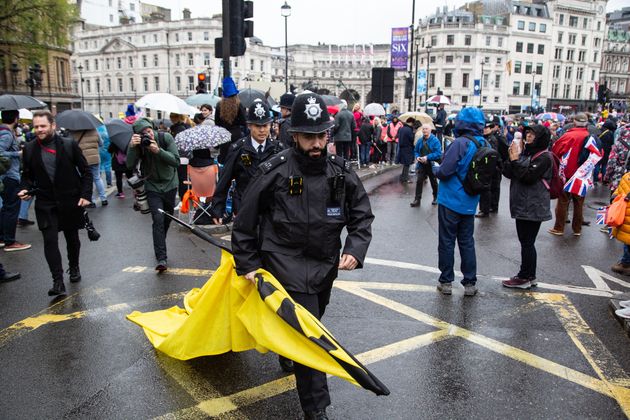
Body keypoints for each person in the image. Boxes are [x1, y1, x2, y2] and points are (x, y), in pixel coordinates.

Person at [232, 93, 374, 420]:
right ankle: (316, 409)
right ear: (294, 135)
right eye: (308, 136)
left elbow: (362, 216)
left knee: (312, 321)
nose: (315, 144)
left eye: (321, 136)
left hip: (324, 268)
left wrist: (354, 248)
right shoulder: (274, 171)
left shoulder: (339, 172)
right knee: (312, 337)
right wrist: (250, 265)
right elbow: (244, 224)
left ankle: (289, 351)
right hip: (285, 267)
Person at [18, 111, 92, 295]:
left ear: (52, 126)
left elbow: (86, 171)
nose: (39, 130)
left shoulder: (68, 145)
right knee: (50, 241)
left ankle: (74, 267)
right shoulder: (29, 148)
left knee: (72, 239)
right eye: (36, 127)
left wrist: (85, 195)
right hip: (45, 203)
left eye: (43, 126)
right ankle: (57, 281)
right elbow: (27, 176)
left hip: (70, 200)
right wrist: (25, 189)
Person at [434, 107, 488, 296]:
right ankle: (470, 283)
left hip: (451, 199)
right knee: (467, 242)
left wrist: (434, 168)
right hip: (470, 201)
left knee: (447, 241)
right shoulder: (483, 142)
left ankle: (446, 281)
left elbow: (444, 171)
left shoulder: (459, 143)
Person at [211, 99, 283, 224]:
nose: (262, 130)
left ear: (270, 125)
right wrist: (218, 208)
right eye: (257, 126)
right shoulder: (238, 149)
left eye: (265, 125)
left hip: (271, 209)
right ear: (249, 126)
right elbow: (224, 180)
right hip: (243, 207)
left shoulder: (278, 149)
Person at [501, 125, 553, 289]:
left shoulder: (544, 157)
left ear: (540, 137)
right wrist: (511, 157)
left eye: (532, 134)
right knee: (526, 241)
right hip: (523, 204)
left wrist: (516, 160)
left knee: (527, 242)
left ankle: (525, 276)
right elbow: (509, 173)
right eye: (527, 134)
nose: (529, 137)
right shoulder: (526, 153)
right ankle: (529, 275)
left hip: (533, 205)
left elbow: (528, 177)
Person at [126, 118, 179, 272]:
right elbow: (129, 165)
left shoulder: (165, 138)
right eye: (143, 134)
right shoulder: (138, 145)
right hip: (152, 185)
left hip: (170, 184)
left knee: (167, 218)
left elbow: (175, 161)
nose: (147, 136)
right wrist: (132, 147)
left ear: (152, 129)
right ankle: (161, 258)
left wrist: (158, 151)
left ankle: (160, 239)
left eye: (148, 131)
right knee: (157, 219)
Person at [549, 113, 595, 236]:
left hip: (567, 174)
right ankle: (577, 229)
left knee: (563, 201)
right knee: (579, 203)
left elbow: (555, 152)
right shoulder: (590, 136)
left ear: (574, 122)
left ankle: (559, 228)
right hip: (582, 175)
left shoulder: (568, 135)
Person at [0, 109, 31, 251]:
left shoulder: (5, 132)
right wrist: (18, 153)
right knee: (12, 209)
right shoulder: (6, 134)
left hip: (6, 175)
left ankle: (3, 238)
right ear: (16, 119)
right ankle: (10, 241)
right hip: (9, 176)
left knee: (6, 208)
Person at [69, 128, 107, 207]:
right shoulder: (94, 130)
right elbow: (101, 143)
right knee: (97, 178)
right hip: (95, 158)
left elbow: (70, 145)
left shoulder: (73, 132)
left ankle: (90, 201)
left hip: (82, 160)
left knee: (85, 179)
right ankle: (104, 199)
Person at [215, 77, 247, 164]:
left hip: (224, 137)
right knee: (239, 159)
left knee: (225, 161)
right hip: (237, 135)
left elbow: (217, 124)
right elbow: (244, 122)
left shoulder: (219, 105)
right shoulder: (239, 104)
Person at [476, 117, 504, 217]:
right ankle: (488, 208)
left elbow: (492, 154)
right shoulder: (485, 138)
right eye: (483, 127)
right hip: (489, 167)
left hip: (491, 167)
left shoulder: (492, 139)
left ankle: (486, 209)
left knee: (489, 189)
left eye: (487, 127)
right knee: (489, 189)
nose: (485, 129)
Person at [410, 123, 441, 207]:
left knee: (433, 182)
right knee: (419, 181)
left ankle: (436, 197)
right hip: (421, 164)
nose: (424, 130)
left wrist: (427, 157)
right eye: (423, 129)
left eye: (426, 129)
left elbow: (438, 153)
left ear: (430, 130)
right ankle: (417, 199)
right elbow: (416, 151)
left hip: (431, 164)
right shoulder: (420, 140)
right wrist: (417, 157)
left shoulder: (435, 140)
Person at [170, 113, 192, 207]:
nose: (170, 119)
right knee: (182, 179)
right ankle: (184, 199)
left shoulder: (179, 129)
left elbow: (180, 145)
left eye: (172, 117)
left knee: (182, 179)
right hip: (182, 157)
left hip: (181, 157)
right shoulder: (179, 128)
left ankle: (183, 200)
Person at [397, 117, 415, 183]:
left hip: (402, 148)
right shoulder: (409, 130)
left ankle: (403, 177)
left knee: (405, 164)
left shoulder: (402, 129)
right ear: (411, 122)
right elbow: (412, 139)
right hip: (408, 148)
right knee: (407, 164)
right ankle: (405, 178)